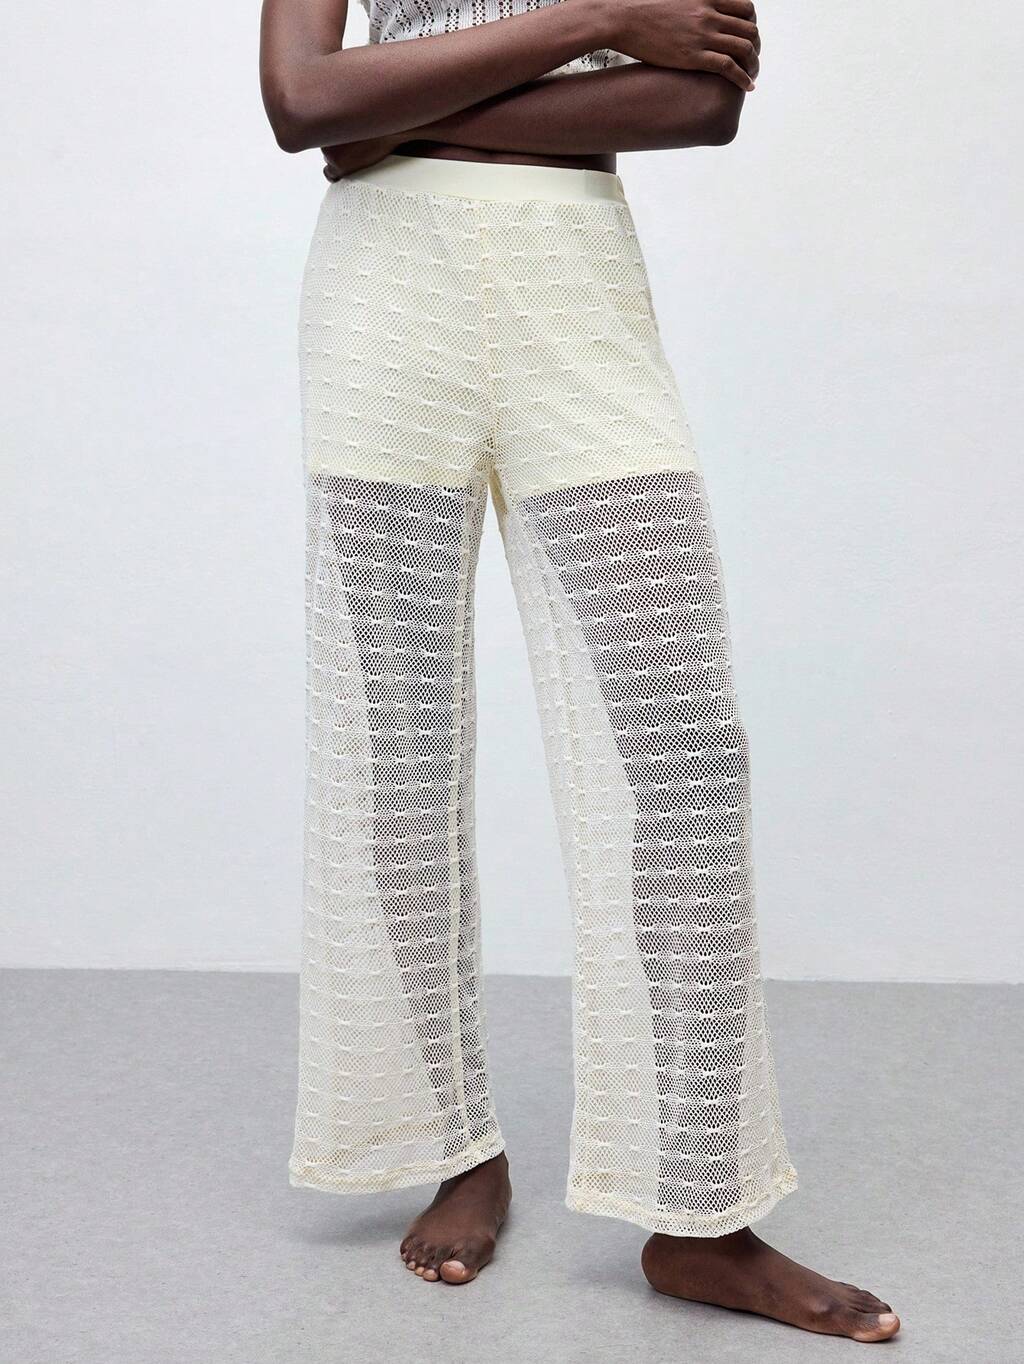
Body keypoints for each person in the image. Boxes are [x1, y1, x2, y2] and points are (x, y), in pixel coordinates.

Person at [259, 0, 900, 1343]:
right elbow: (303, 99)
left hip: (576, 286)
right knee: (397, 746)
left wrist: (400, 109)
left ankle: (703, 1216)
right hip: (386, 299)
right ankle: (457, 1145)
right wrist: (604, 18)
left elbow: (700, 103)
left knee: (684, 751)